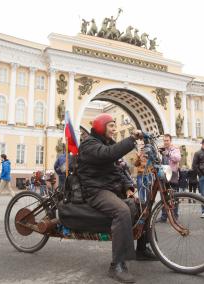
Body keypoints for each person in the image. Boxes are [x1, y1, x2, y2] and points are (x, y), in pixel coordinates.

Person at [77, 113, 152, 283]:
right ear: (101, 127)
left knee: (143, 204)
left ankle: (142, 249)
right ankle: (117, 265)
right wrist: (131, 139)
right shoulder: (89, 144)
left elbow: (118, 169)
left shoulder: (107, 143)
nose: (114, 129)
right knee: (122, 211)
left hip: (110, 188)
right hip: (95, 190)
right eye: (111, 126)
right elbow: (108, 154)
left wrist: (128, 187)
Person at [157, 134, 181, 222]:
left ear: (170, 141)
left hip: (173, 174)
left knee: (174, 196)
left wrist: (168, 153)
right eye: (164, 140)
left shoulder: (175, 149)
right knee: (164, 196)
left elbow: (177, 158)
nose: (165, 142)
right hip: (163, 175)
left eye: (167, 140)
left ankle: (175, 216)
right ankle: (164, 217)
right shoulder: (161, 149)